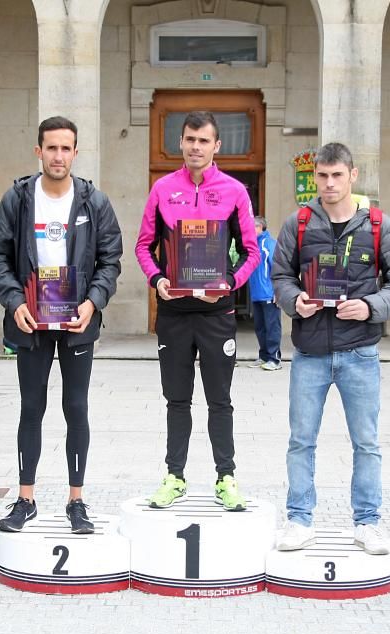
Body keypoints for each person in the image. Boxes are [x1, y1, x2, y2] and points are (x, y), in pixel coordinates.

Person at [271, 142, 390, 555]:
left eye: (337, 175)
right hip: (310, 352)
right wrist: (294, 301)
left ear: (353, 175)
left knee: (366, 442)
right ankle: (299, 520)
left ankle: (367, 523)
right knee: (301, 440)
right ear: (313, 177)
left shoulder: (378, 226)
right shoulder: (298, 223)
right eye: (322, 175)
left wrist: (371, 307)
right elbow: (280, 275)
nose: (329, 183)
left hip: (360, 353)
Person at [0, 116, 123, 533]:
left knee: (75, 407)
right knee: (32, 407)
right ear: (38, 151)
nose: (58, 156)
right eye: (51, 148)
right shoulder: (18, 199)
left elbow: (110, 260)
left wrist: (93, 302)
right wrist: (13, 303)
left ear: (76, 153)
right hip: (31, 321)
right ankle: (25, 499)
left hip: (76, 319)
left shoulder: (93, 202)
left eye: (66, 148)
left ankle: (76, 500)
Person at [135, 110, 259, 511]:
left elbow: (252, 253)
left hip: (215, 313)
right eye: (189, 139)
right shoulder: (162, 189)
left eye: (203, 140)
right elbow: (143, 246)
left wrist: (229, 284)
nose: (195, 147)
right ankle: (175, 476)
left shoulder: (235, 191)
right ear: (181, 143)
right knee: (177, 400)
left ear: (216, 146)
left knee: (220, 400)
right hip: (174, 313)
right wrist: (157, 281)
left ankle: (226, 478)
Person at [248, 216, 282, 370]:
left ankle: (274, 359)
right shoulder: (251, 245)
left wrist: (278, 291)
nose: (249, 228)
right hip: (256, 294)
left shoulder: (269, 243)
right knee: (260, 327)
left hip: (269, 294)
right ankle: (263, 357)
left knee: (272, 327)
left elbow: (278, 269)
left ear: (260, 227)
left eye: (252, 226)